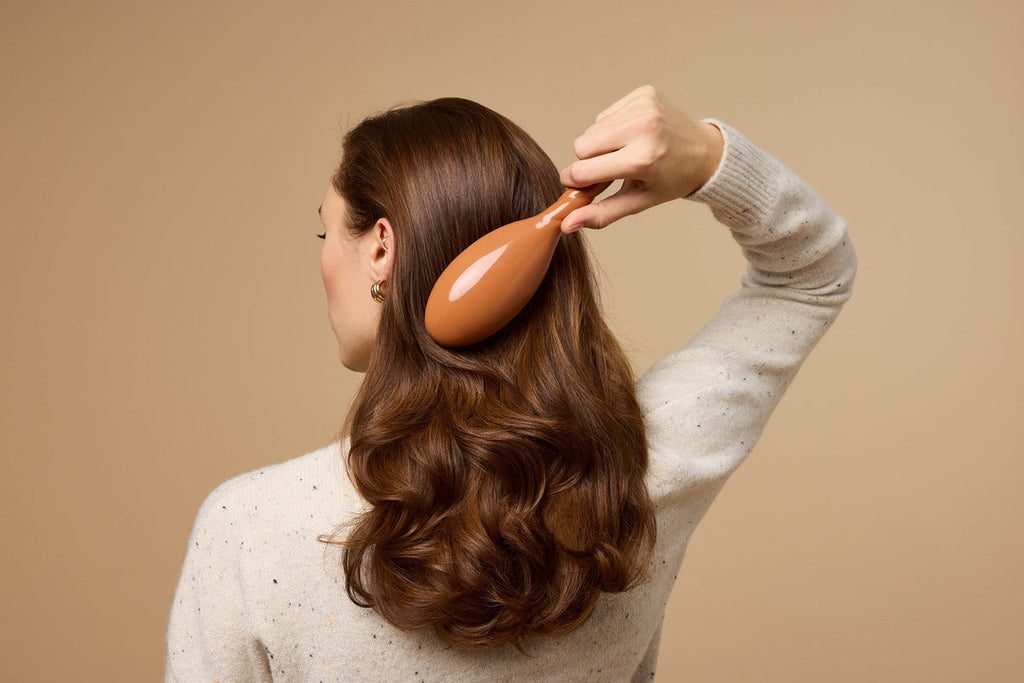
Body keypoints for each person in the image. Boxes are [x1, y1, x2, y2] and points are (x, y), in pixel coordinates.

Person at [165, 84, 857, 681]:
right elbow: (811, 273)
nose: (322, 262)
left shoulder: (251, 530)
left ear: (380, 247)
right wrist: (708, 157)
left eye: (326, 236)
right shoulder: (647, 472)